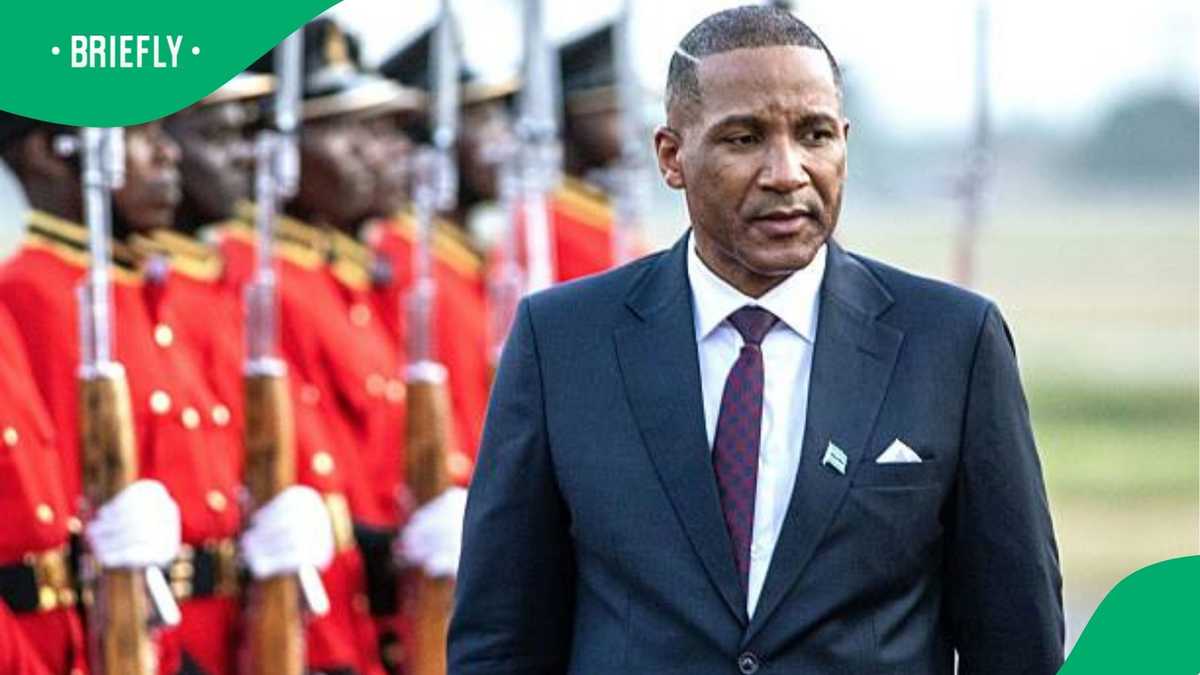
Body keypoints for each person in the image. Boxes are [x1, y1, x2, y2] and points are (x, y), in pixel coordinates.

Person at [448, 6, 1064, 674]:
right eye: (744, 139)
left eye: (815, 135)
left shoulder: (951, 344)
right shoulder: (564, 343)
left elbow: (1017, 641)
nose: (787, 172)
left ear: (844, 142)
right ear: (671, 156)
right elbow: (501, 640)